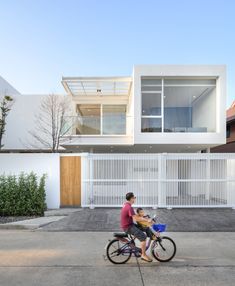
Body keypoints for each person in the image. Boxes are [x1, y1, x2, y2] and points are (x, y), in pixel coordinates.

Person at [120, 192, 153, 262]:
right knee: (143, 237)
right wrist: (147, 220)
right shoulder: (129, 207)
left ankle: (137, 248)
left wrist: (143, 217)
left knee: (143, 228)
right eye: (134, 198)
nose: (135, 199)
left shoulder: (125, 205)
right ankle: (143, 255)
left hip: (127, 225)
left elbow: (134, 216)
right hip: (128, 227)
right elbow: (136, 218)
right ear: (131, 198)